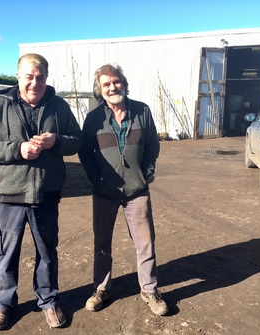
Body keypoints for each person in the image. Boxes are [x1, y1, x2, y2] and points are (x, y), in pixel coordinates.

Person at [0, 53, 82, 330]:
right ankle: (3, 305)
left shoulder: (59, 106)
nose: (35, 83)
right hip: (10, 195)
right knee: (6, 253)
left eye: (40, 77)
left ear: (47, 78)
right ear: (18, 76)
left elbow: (77, 141)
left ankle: (48, 301)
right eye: (29, 76)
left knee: (47, 253)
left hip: (46, 195)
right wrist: (17, 149)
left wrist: (56, 140)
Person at [78, 63, 168, 316]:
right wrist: (96, 180)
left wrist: (146, 173)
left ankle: (149, 290)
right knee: (102, 244)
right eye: (106, 84)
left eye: (116, 82)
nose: (112, 87)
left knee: (145, 243)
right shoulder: (94, 118)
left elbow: (152, 145)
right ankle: (102, 289)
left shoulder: (142, 111)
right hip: (104, 192)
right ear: (100, 90)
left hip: (136, 191)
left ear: (124, 84)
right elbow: (85, 152)